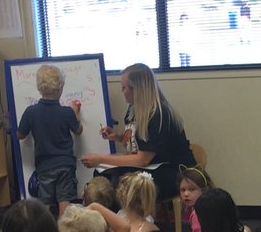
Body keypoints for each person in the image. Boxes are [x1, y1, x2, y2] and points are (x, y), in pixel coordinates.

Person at [81, 63, 195, 202]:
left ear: (137, 89)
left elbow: (142, 159)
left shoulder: (159, 114)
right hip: (153, 166)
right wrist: (118, 136)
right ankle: (106, 219)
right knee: (103, 174)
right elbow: (140, 142)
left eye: (124, 88)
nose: (122, 91)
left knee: (120, 181)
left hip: (173, 173)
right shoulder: (134, 110)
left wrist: (100, 158)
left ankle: (122, 220)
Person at [17, 64, 82, 214]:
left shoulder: (31, 112)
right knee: (64, 202)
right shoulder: (67, 112)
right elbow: (78, 131)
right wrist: (76, 114)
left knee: (45, 203)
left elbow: (20, 135)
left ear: (39, 87)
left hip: (44, 166)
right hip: (66, 165)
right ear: (60, 87)